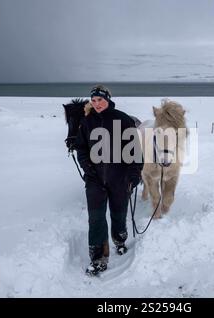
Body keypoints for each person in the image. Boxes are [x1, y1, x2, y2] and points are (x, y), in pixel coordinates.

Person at [74, 85, 143, 276]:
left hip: (119, 178)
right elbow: (81, 148)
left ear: (108, 99)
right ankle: (98, 258)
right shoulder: (87, 122)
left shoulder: (123, 119)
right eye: (93, 100)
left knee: (118, 213)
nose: (96, 104)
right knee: (96, 219)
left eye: (100, 100)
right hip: (95, 180)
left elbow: (135, 152)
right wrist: (87, 168)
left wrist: (134, 175)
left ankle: (120, 239)